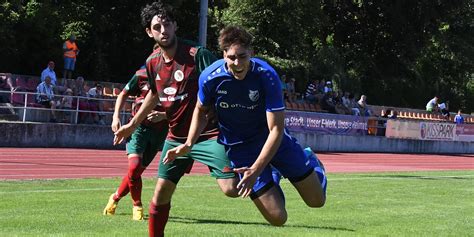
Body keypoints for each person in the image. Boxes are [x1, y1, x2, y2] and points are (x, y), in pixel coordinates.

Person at [165, 25, 327, 227]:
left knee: (316, 201)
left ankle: (310, 160)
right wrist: (189, 143)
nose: (237, 63)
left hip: (273, 142)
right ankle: (273, 173)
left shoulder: (266, 75)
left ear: (251, 52)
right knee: (278, 218)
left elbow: (276, 130)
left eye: (242, 56)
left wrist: (256, 170)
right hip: (241, 150)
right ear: (224, 54)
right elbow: (200, 109)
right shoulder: (210, 77)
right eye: (232, 57)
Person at [113, 2, 239, 236]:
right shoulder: (152, 62)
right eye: (157, 26)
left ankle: (269, 170)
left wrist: (219, 107)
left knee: (230, 189)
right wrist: (132, 124)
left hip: (207, 134)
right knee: (160, 195)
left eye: (167, 24)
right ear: (149, 32)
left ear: (175, 26)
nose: (163, 30)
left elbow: (225, 81)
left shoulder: (197, 54)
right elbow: (153, 93)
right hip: (175, 138)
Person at [103, 66, 168, 221]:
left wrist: (163, 115)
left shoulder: (175, 78)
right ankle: (137, 205)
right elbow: (123, 94)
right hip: (138, 128)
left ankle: (115, 197)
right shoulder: (141, 75)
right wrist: (115, 116)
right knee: (134, 167)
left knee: (136, 173)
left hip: (159, 132)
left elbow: (182, 108)